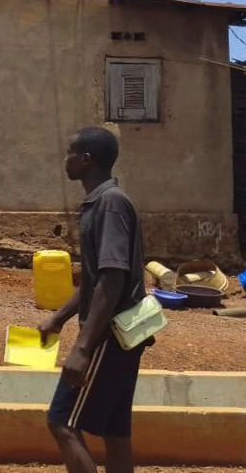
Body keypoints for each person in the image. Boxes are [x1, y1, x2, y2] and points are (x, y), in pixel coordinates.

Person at [39, 126, 149, 473]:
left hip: (109, 335)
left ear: (86, 160)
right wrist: (59, 318)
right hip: (125, 332)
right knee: (115, 430)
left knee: (62, 421)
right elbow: (94, 280)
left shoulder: (108, 205)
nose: (65, 160)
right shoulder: (101, 203)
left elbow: (112, 280)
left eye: (69, 153)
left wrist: (83, 348)